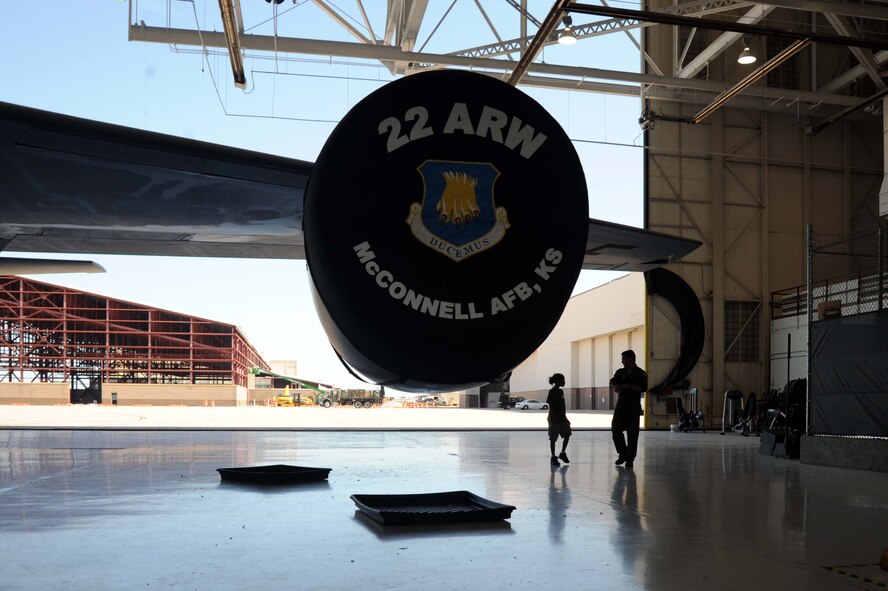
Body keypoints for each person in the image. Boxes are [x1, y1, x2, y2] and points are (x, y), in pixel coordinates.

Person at [609, 350, 648, 468]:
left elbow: (643, 388)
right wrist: (615, 387)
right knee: (615, 429)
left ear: (631, 359)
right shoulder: (620, 372)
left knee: (632, 433)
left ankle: (630, 459)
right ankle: (623, 453)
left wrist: (628, 386)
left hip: (633, 406)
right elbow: (612, 382)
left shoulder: (641, 374)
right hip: (621, 405)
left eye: (624, 359)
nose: (622, 361)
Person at [546, 373, 571, 466]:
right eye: (562, 380)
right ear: (557, 381)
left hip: (562, 417)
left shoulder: (561, 392)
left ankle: (562, 453)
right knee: (553, 438)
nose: (564, 382)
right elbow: (551, 405)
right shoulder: (552, 392)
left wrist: (565, 417)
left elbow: (562, 406)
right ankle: (553, 457)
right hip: (554, 418)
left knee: (567, 434)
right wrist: (554, 417)